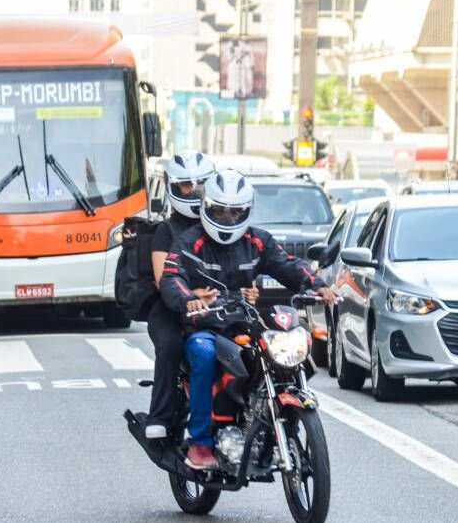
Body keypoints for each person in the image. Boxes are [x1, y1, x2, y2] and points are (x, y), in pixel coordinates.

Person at [160, 169, 337, 470]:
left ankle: (266, 419)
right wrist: (188, 299)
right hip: (205, 326)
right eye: (220, 210)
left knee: (279, 353)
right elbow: (171, 277)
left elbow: (287, 265)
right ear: (206, 207)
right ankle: (201, 443)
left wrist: (317, 284)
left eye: (235, 212)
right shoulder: (190, 242)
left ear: (247, 211)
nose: (227, 218)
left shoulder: (258, 241)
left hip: (244, 323)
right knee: (203, 355)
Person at [144, 150, 218, 440]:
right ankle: (159, 415)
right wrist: (193, 293)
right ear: (173, 186)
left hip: (212, 305)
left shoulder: (220, 226)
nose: (194, 190)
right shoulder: (166, 230)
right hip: (171, 309)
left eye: (200, 183)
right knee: (172, 345)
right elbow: (164, 280)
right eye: (186, 185)